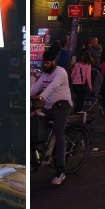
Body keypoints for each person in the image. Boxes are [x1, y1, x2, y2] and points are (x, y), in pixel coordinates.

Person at [30, 49, 72, 186]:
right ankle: (34, 161)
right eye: (44, 63)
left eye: (48, 63)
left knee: (59, 134)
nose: (45, 65)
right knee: (34, 126)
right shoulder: (45, 74)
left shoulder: (61, 72)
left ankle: (60, 170)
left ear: (54, 62)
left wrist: (41, 97)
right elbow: (36, 87)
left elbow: (51, 88)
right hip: (49, 106)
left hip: (62, 106)